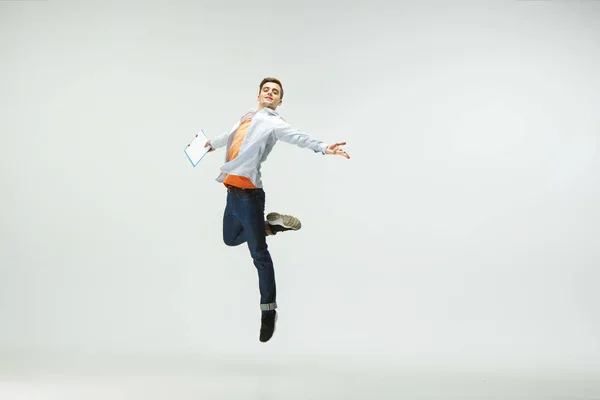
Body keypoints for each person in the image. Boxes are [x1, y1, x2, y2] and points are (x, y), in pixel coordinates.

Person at [204, 77, 350, 343]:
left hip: (249, 197)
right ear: (259, 94)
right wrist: (211, 144)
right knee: (229, 238)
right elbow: (231, 135)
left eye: (275, 92)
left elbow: (298, 137)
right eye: (266, 90)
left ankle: (268, 311)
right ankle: (272, 226)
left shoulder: (274, 123)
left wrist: (323, 148)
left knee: (259, 255)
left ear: (279, 101)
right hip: (231, 194)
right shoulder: (247, 116)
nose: (269, 93)